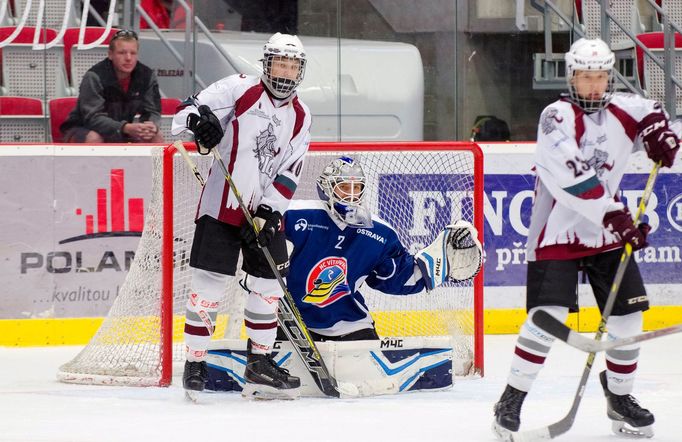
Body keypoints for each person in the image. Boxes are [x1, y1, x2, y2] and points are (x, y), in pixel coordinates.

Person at [492, 38, 679, 440]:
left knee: (628, 318)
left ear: (610, 77)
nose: (593, 85)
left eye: (600, 77)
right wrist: (618, 217)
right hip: (557, 233)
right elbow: (571, 178)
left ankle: (620, 397)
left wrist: (663, 135)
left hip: (608, 236)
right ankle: (511, 400)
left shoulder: (624, 109)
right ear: (571, 77)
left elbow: (657, 114)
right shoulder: (554, 117)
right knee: (548, 319)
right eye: (585, 77)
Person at [172, 32, 311, 400]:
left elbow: (291, 169)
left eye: (292, 64)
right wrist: (201, 126)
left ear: (300, 70)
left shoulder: (301, 115)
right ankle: (196, 363)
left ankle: (260, 363)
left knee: (267, 289)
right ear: (266, 64)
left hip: (264, 215)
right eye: (279, 62)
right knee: (208, 288)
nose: (285, 70)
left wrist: (269, 211)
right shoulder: (240, 89)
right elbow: (186, 109)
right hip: (220, 208)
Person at [279, 156, 483, 341]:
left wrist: (437, 266)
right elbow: (262, 235)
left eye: (356, 187)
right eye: (343, 187)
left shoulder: (379, 231)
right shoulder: (297, 214)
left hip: (350, 322)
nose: (350, 195)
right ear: (326, 188)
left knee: (373, 381)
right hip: (292, 319)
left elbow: (391, 277)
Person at [61, 29, 163, 143]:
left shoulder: (147, 75)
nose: (128, 58)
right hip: (83, 128)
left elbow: (153, 111)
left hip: (122, 129)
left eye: (133, 53)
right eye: (122, 53)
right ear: (110, 55)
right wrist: (125, 128)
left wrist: (150, 126)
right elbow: (93, 119)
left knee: (156, 135)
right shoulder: (94, 76)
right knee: (94, 137)